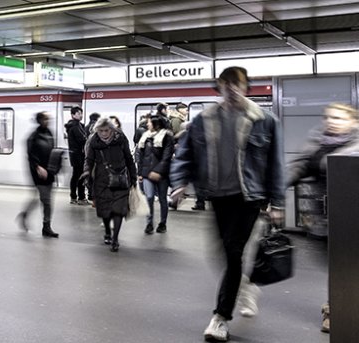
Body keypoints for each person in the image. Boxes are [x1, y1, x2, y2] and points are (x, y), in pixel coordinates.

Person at [170, 66, 285, 342]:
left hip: (249, 197)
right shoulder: (204, 119)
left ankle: (220, 318)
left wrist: (278, 202)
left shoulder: (265, 120)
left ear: (246, 87)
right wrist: (179, 182)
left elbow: (275, 164)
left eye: (238, 83)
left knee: (233, 253)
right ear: (219, 87)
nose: (232, 88)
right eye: (227, 83)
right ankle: (244, 287)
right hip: (218, 197)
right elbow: (185, 154)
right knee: (222, 254)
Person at [285, 103, 359, 334]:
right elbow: (296, 169)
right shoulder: (316, 145)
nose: (331, 121)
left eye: (338, 117)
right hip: (327, 220)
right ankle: (335, 309)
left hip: (355, 217)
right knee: (337, 269)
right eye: (328, 117)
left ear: (354, 121)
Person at [82, 117, 136, 252]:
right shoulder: (93, 141)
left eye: (106, 130)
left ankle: (115, 239)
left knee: (119, 210)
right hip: (102, 180)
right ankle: (107, 231)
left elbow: (129, 158)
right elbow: (89, 159)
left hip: (120, 179)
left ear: (112, 129)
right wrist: (87, 172)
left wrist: (133, 177)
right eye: (101, 131)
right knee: (105, 210)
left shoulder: (121, 139)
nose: (104, 134)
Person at [16, 112, 60, 238]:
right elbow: (30, 155)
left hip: (50, 171)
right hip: (39, 173)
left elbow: (52, 150)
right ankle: (46, 227)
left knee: (41, 199)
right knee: (46, 200)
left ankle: (25, 215)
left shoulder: (49, 133)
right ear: (39, 121)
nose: (48, 121)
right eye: (45, 119)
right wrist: (37, 167)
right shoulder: (33, 137)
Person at [135, 115, 174, 234]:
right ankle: (149, 223)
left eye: (149, 123)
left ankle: (162, 223)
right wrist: (140, 173)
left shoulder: (167, 137)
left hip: (162, 174)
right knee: (149, 197)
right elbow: (140, 156)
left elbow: (166, 157)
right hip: (147, 174)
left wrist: (157, 171)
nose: (147, 125)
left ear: (156, 125)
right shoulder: (145, 137)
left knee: (162, 199)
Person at [65, 106, 89, 205]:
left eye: (81, 113)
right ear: (73, 115)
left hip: (76, 155)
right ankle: (80, 197)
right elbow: (82, 139)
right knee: (79, 176)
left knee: (76, 176)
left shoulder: (77, 125)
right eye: (78, 113)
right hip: (78, 155)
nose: (81, 115)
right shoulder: (74, 126)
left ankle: (74, 196)